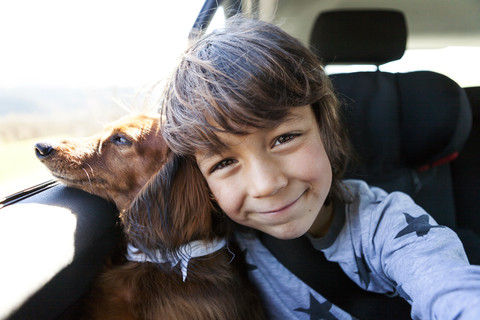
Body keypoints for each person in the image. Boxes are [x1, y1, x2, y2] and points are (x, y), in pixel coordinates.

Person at [160, 16, 480, 319]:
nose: (266, 185)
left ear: (325, 132)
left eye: (284, 138)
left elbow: (447, 285)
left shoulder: (383, 224)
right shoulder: (210, 242)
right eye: (225, 162)